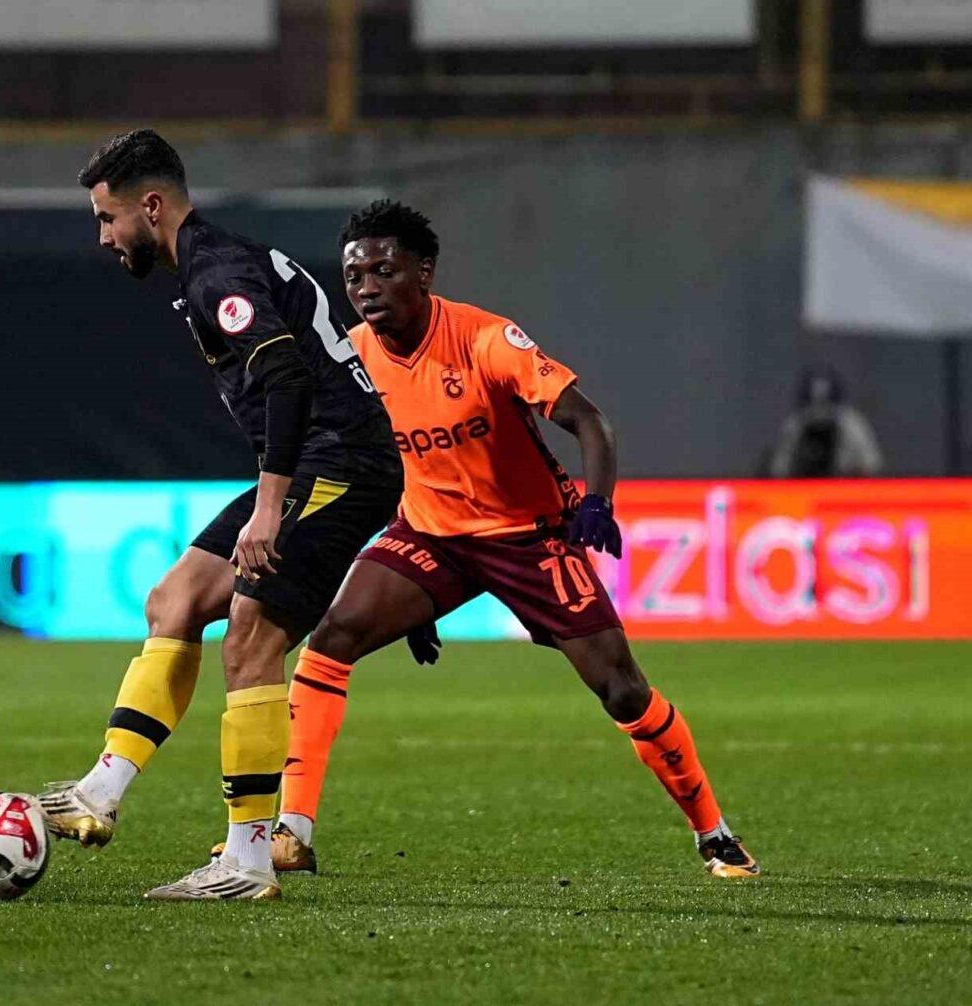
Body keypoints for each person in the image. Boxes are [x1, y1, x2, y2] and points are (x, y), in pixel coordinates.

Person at [257, 200, 759, 879]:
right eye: (354, 277)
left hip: (529, 537)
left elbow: (591, 422)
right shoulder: (355, 359)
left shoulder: (486, 339)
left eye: (384, 271)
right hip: (430, 535)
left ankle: (714, 833)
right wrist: (412, 592)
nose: (367, 288)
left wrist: (597, 502)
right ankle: (291, 831)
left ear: (423, 272)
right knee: (333, 637)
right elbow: (381, 461)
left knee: (621, 690)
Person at [38, 131, 403, 901]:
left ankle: (247, 860)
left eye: (107, 218)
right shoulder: (214, 263)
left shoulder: (218, 273)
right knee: (173, 600)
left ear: (151, 206)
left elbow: (286, 377)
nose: (103, 237)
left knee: (251, 637)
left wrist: (269, 508)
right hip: (319, 461)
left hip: (343, 464)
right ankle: (99, 793)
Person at [766, 366, 884, 478]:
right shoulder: (794, 426)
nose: (820, 412)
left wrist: (851, 473)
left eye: (825, 404)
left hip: (844, 487)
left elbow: (873, 465)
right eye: (814, 405)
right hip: (805, 487)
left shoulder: (852, 425)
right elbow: (778, 469)